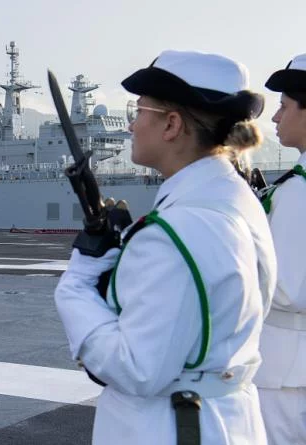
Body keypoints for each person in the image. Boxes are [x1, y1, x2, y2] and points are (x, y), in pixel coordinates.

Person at [54, 50, 276, 445]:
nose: (132, 124)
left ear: (171, 124)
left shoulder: (172, 231)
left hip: (171, 426)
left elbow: (137, 367)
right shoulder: (238, 199)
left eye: (140, 111)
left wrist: (77, 282)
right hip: (230, 419)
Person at [254, 53, 306, 445]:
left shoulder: (296, 193)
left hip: (286, 371)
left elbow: (286, 289)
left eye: (284, 106)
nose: (275, 118)